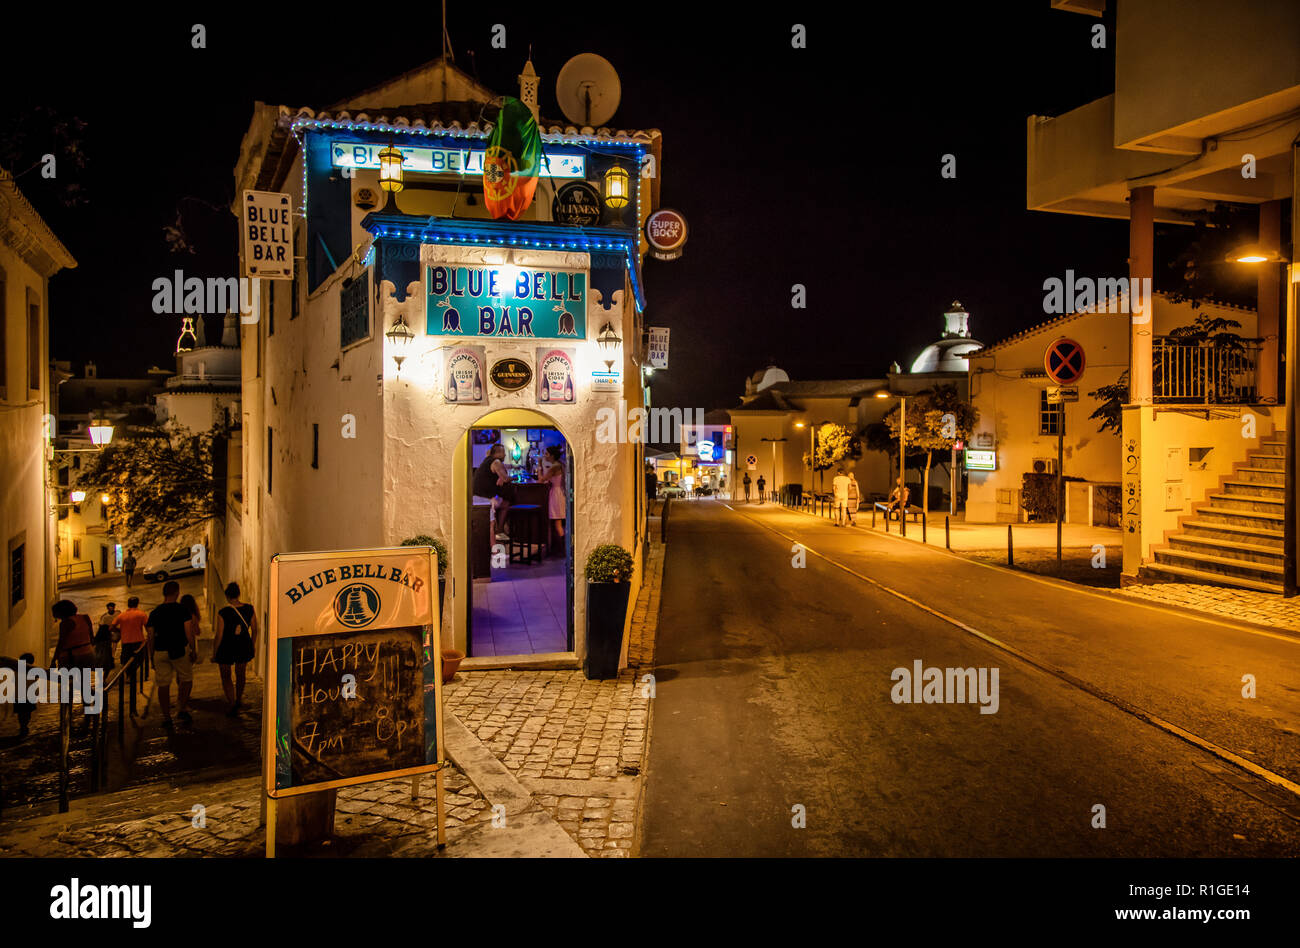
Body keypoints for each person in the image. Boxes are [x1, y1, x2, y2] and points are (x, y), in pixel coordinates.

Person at [147, 581, 197, 729]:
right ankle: (181, 708)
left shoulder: (155, 612)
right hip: (179, 650)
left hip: (160, 651)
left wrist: (151, 656)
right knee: (186, 679)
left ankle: (166, 716)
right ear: (177, 592)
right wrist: (193, 649)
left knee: (163, 684)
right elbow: (189, 632)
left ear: (164, 593)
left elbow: (150, 636)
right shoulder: (182, 610)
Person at [213, 582, 257, 717]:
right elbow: (255, 630)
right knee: (240, 673)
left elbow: (219, 635)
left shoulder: (223, 612)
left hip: (226, 646)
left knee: (226, 675)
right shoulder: (250, 609)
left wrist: (215, 652)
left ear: (227, 596)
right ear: (238, 594)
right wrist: (252, 644)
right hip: (243, 645)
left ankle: (231, 702)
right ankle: (238, 699)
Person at [472, 443, 515, 542]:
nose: (504, 455)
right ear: (498, 453)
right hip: (484, 499)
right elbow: (505, 479)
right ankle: (499, 532)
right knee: (506, 502)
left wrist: (500, 477)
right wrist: (516, 477)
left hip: (477, 496)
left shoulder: (487, 461)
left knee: (504, 502)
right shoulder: (496, 462)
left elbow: (500, 475)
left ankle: (499, 531)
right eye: (503, 453)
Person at [112, 596, 149, 697]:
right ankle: (131, 675)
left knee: (125, 661)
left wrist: (120, 631)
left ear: (128, 604)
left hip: (126, 642)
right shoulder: (141, 614)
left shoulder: (122, 615)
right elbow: (148, 627)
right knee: (139, 659)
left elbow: (111, 627)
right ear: (137, 604)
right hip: (138, 641)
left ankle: (129, 675)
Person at [0, 653, 38, 739]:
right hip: (27, 696)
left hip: (20, 696)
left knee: (22, 714)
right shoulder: (33, 671)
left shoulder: (17, 670)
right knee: (26, 714)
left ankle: (23, 727)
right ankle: (24, 728)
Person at [52, 599, 95, 670]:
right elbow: (91, 637)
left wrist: (54, 659)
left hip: (71, 656)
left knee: (68, 680)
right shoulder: (85, 618)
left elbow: (61, 642)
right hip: (88, 653)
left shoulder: (65, 623)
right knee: (85, 680)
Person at [542, 445, 568, 553]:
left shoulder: (554, 467)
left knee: (557, 521)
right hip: (560, 493)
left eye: (547, 454)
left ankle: (562, 549)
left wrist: (539, 465)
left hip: (556, 494)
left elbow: (542, 479)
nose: (545, 456)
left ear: (552, 456)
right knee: (559, 521)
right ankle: (561, 547)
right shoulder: (559, 465)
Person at [94, 602, 118, 671]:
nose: (111, 609)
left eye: (112, 607)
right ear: (107, 608)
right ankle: (111, 657)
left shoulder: (117, 613)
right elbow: (101, 626)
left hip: (115, 630)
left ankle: (112, 655)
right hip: (107, 632)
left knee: (114, 642)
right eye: (109, 608)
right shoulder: (104, 617)